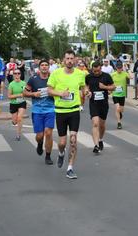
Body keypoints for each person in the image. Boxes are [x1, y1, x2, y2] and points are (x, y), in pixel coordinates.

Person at [47, 49, 86, 179]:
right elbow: (49, 90)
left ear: (75, 60)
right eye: (67, 58)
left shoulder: (80, 74)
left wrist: (86, 92)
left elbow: (83, 87)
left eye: (71, 58)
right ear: (64, 60)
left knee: (73, 140)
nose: (69, 61)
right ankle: (61, 152)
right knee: (62, 142)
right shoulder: (55, 74)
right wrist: (60, 93)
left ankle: (70, 168)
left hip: (74, 110)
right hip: (60, 111)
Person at [23, 59, 55, 165]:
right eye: (42, 65)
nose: (44, 67)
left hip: (50, 110)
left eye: (46, 65)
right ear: (39, 67)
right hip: (37, 111)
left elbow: (58, 91)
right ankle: (40, 144)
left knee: (49, 133)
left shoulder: (53, 78)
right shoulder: (33, 79)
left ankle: (48, 156)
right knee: (40, 136)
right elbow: (25, 93)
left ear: (48, 67)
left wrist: (54, 93)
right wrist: (34, 94)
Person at [85, 61, 115, 154]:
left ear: (100, 68)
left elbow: (113, 87)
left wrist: (104, 87)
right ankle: (96, 145)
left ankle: (101, 139)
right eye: (94, 71)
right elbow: (86, 86)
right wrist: (87, 92)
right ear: (92, 69)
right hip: (93, 103)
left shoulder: (106, 76)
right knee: (95, 123)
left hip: (103, 104)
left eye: (97, 71)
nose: (96, 73)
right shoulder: (89, 76)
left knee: (102, 125)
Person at [111, 60, 131, 129]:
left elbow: (131, 77)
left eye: (120, 68)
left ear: (122, 68)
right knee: (117, 108)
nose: (119, 69)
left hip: (122, 95)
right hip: (115, 94)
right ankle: (119, 123)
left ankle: (119, 114)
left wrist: (127, 68)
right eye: (118, 68)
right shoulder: (113, 74)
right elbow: (109, 82)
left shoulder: (124, 73)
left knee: (121, 110)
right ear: (116, 68)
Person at [7, 69, 27, 141]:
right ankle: (13, 121)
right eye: (15, 73)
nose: (17, 75)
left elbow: (26, 93)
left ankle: (18, 135)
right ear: (13, 75)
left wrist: (26, 94)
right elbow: (9, 96)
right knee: (15, 121)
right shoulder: (11, 84)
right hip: (13, 104)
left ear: (20, 75)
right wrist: (19, 95)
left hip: (22, 102)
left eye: (18, 73)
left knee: (19, 118)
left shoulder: (24, 83)